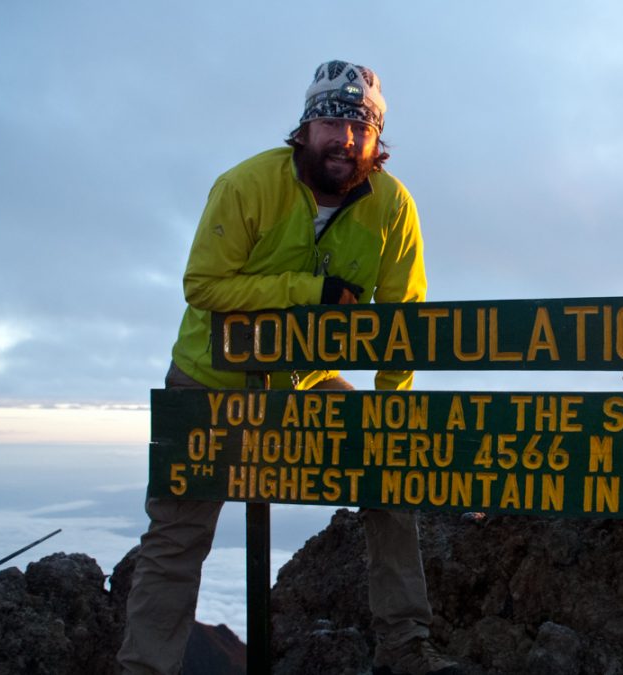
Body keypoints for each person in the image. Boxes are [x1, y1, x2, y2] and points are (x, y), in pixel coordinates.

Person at [118, 60, 460, 675]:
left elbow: (403, 319)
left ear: (377, 139)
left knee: (391, 477)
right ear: (304, 127)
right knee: (176, 538)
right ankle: (143, 668)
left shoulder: (392, 206)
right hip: (210, 381)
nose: (344, 138)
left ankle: (406, 647)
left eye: (361, 127)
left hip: (304, 381)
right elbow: (204, 286)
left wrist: (389, 408)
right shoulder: (246, 185)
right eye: (331, 121)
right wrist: (309, 290)